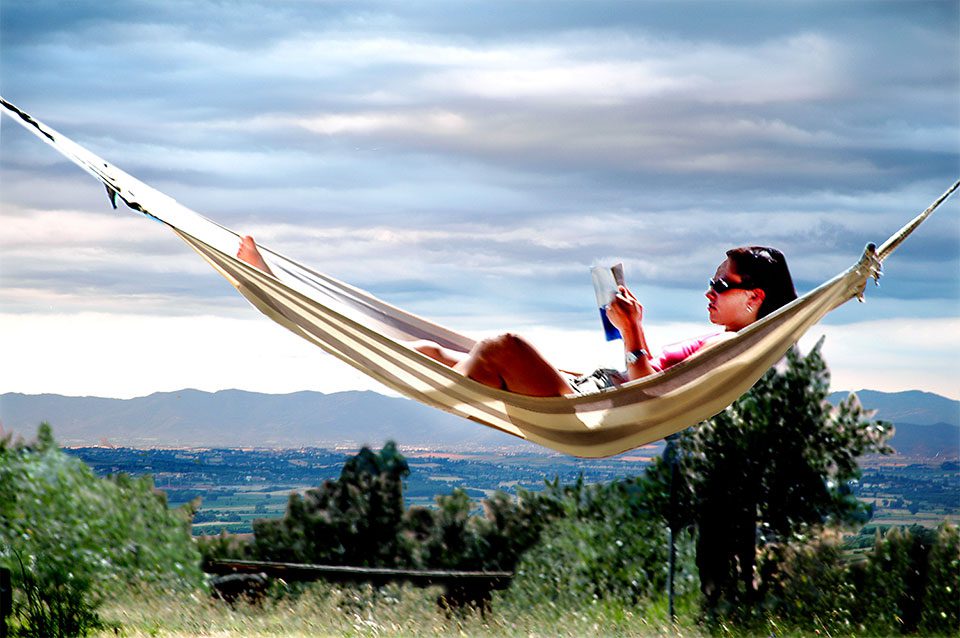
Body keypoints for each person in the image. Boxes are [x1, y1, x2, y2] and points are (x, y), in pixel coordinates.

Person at [237, 236, 796, 398]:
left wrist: (633, 332)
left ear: (754, 300)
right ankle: (295, 301)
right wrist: (629, 334)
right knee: (430, 354)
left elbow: (647, 394)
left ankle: (285, 297)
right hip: (589, 387)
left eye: (722, 283)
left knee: (502, 345)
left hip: (593, 409)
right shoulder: (722, 341)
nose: (711, 288)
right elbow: (642, 378)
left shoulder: (729, 352)